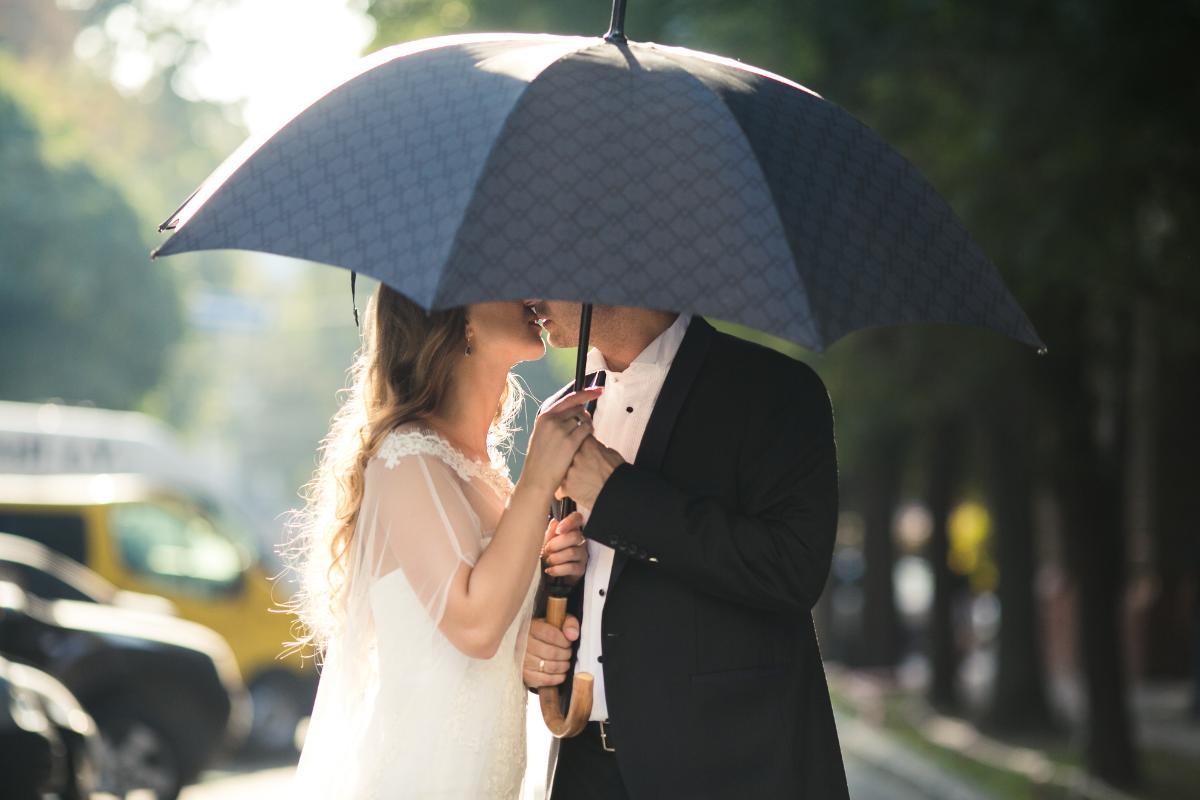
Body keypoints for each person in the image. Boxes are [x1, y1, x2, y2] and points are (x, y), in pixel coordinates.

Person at [523, 302, 849, 799]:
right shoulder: (562, 412)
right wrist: (549, 607)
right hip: (584, 770)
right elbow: (592, 594)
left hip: (728, 774)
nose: (528, 295)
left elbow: (793, 569)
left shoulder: (776, 390)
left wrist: (615, 494)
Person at [285, 285, 598, 799]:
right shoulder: (405, 457)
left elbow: (485, 640)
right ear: (459, 321)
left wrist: (542, 597)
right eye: (500, 282)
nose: (527, 292)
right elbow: (474, 626)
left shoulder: (489, 475)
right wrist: (539, 478)